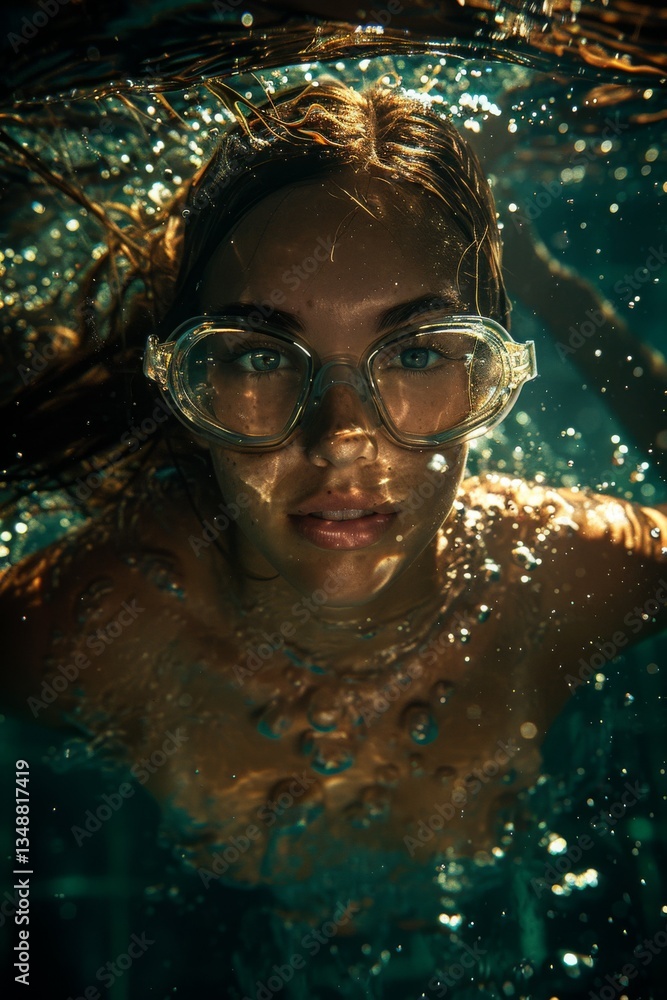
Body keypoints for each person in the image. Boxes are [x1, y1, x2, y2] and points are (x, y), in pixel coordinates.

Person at [1, 79, 666, 978]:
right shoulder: (99, 627)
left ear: (494, 373)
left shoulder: (564, 574)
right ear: (186, 381)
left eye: (420, 351)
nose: (342, 443)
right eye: (260, 355)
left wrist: (545, 282)